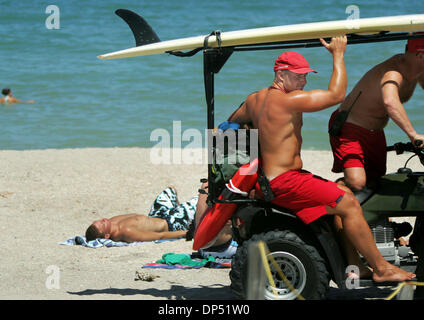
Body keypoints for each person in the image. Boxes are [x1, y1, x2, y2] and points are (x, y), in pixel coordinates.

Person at [228, 36, 415, 282]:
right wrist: (338, 53)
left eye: (306, 75)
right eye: (298, 75)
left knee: (339, 195)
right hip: (285, 181)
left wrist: (242, 164)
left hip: (273, 179)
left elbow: (230, 123)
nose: (304, 81)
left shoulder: (254, 100)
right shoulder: (288, 101)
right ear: (280, 74)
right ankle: (382, 269)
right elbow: (337, 95)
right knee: (348, 202)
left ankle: (354, 265)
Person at [329, 37, 424, 192]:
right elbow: (390, 102)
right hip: (350, 128)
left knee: (376, 181)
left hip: (375, 132)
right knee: (357, 182)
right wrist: (413, 135)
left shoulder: (418, 69)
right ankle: (328, 198)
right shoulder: (394, 73)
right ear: (420, 56)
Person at [85, 187, 197, 242]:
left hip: (157, 215)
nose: (103, 220)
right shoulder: (126, 232)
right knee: (202, 198)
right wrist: (185, 233)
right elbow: (159, 236)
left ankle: (183, 212)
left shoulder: (112, 221)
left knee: (170, 190)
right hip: (172, 223)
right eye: (102, 224)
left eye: (99, 221)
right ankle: (187, 217)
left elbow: (135, 215)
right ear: (107, 236)